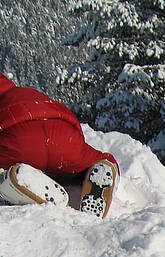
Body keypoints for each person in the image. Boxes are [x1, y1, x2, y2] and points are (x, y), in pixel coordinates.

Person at [0, 73, 119, 218]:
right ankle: (99, 171)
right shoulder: (24, 93)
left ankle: (19, 181)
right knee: (102, 160)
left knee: (6, 171)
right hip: (65, 140)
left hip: (20, 144)